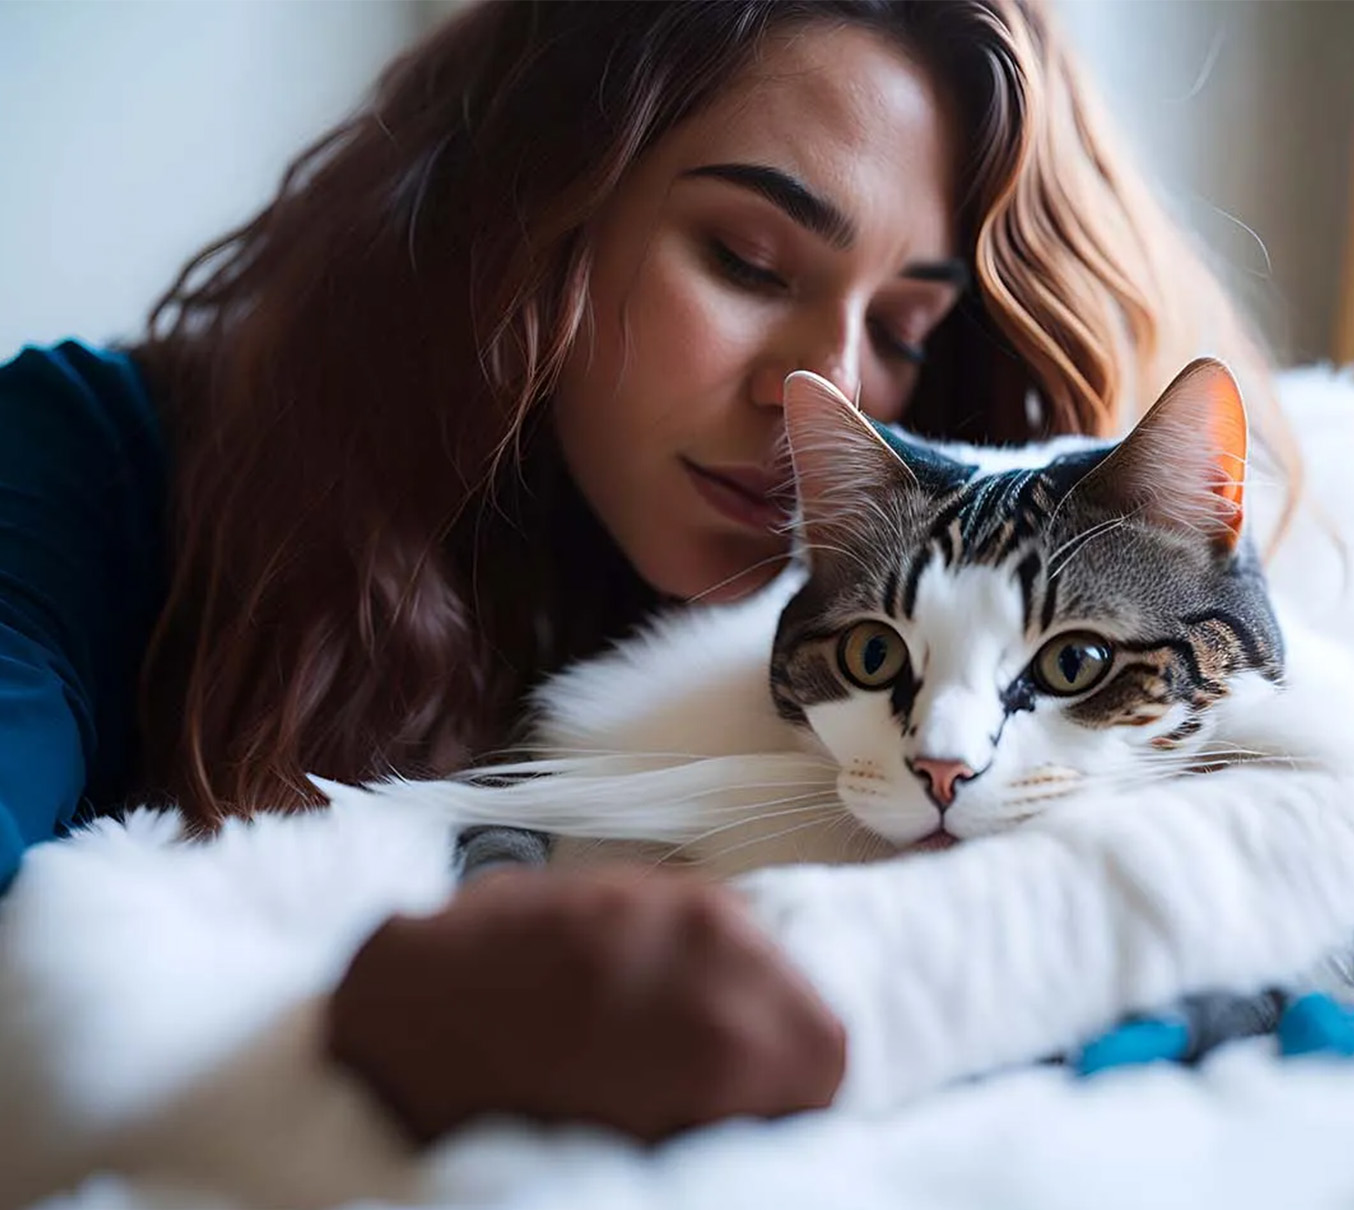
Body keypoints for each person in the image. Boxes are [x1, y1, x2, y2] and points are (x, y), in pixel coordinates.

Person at [0, 0, 1283, 1145]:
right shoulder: (89, 458)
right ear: (532, 204)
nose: (824, 399)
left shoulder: (882, 626)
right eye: (749, 261)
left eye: (901, 330)